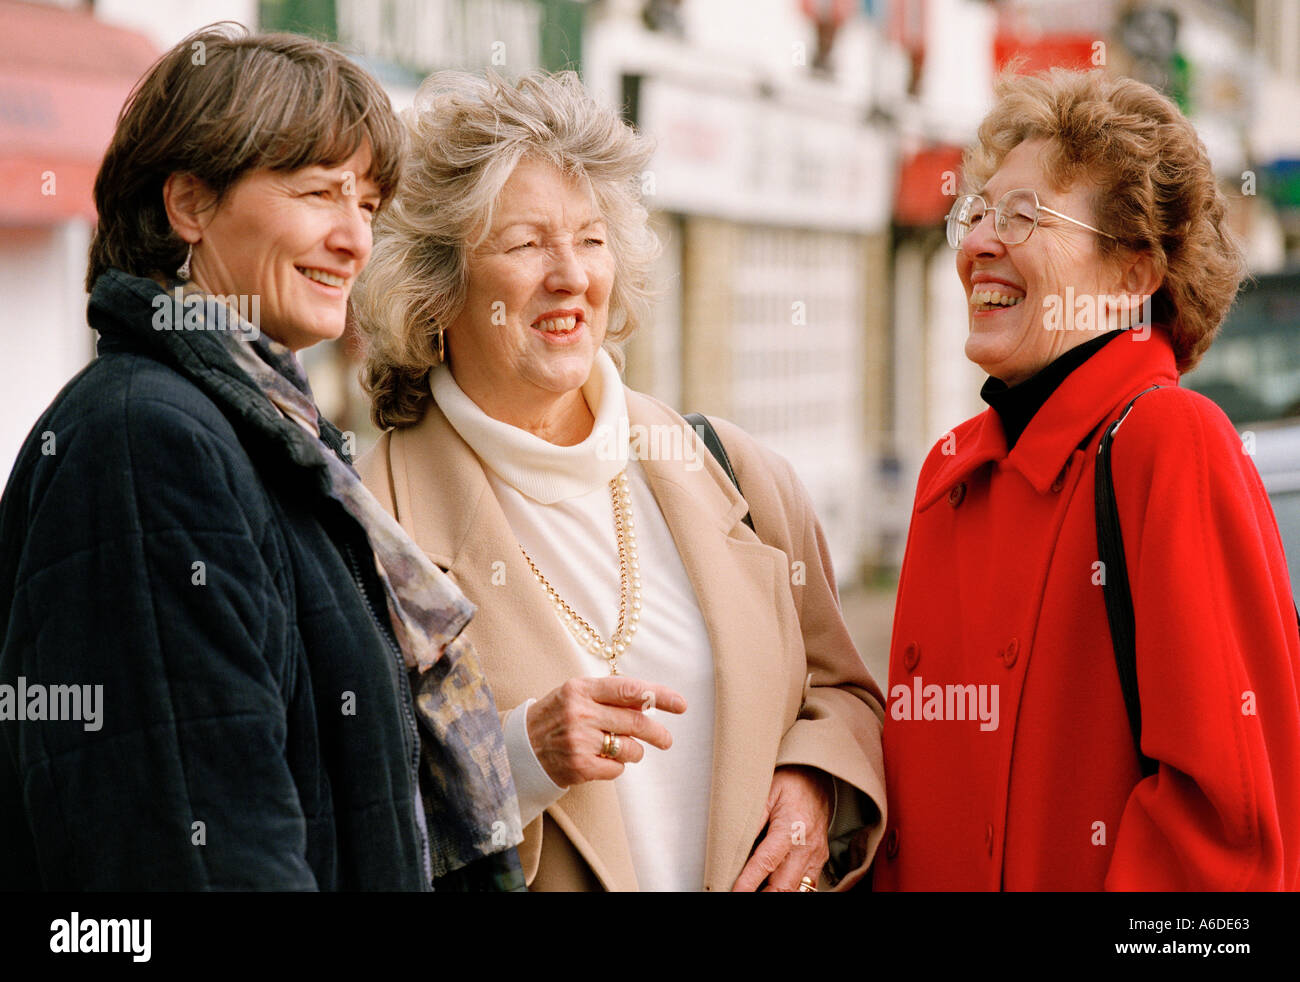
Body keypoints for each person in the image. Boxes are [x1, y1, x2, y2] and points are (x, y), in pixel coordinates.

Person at [0, 25, 522, 890]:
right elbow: (193, 849)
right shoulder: (147, 443)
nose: (355, 239)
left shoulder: (266, 434)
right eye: (320, 192)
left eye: (367, 205)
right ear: (190, 206)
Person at [353, 70, 886, 892]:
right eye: (526, 244)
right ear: (439, 283)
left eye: (591, 239)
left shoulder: (737, 471)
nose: (570, 275)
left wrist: (815, 784)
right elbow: (338, 814)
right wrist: (520, 758)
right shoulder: (366, 524)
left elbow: (845, 697)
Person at [873, 68, 1300, 891]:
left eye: (1024, 216)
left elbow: (1229, 837)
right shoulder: (951, 476)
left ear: (1135, 275)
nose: (978, 244)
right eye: (979, 213)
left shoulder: (1170, 442)